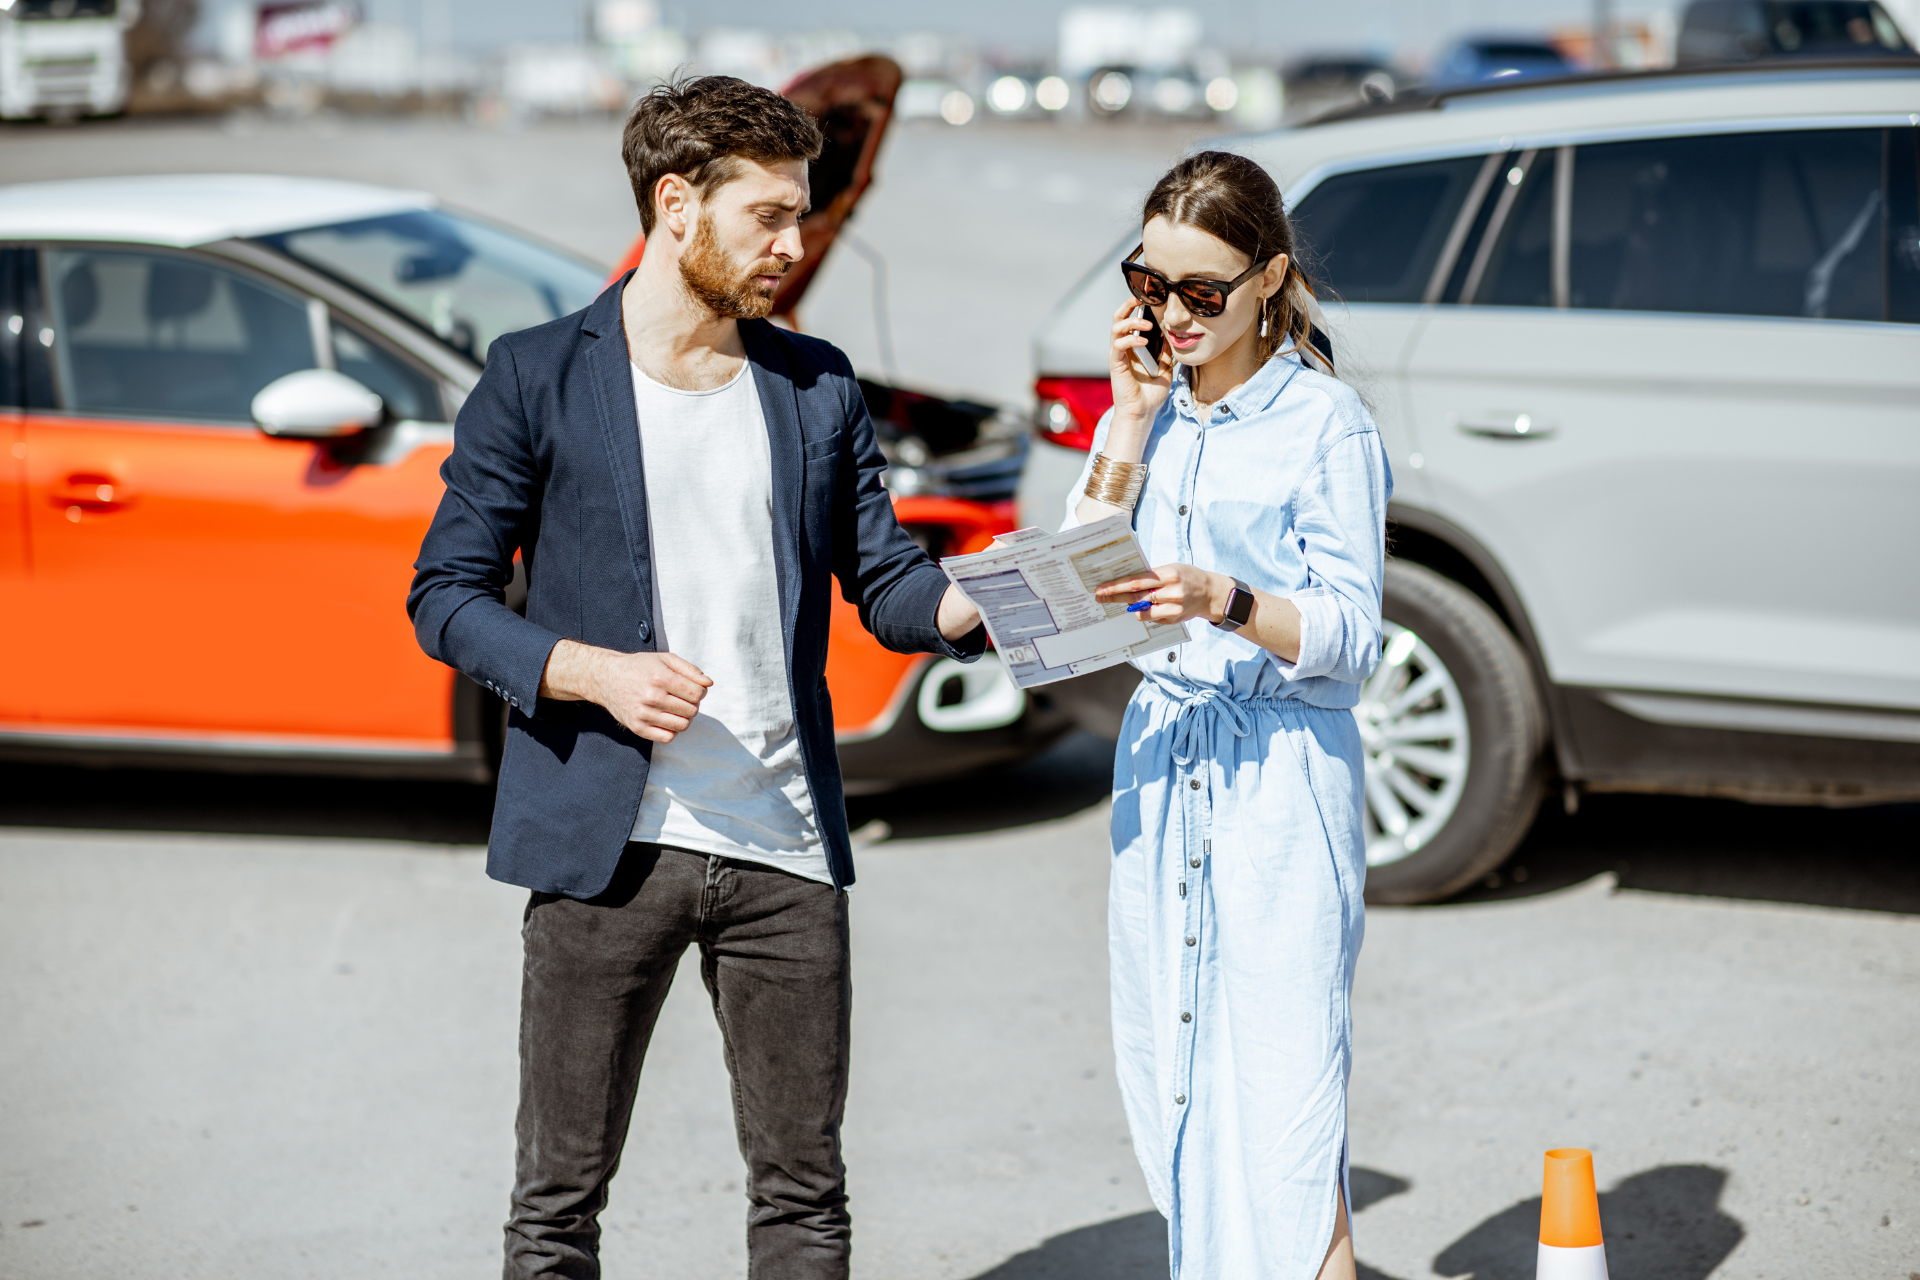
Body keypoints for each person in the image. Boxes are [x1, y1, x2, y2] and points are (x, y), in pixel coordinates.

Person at [407, 75, 985, 1280]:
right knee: (556, 1206)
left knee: (805, 1199)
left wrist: (973, 605)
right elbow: (445, 596)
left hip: (781, 849)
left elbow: (884, 584)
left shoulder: (815, 382)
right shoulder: (536, 375)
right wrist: (587, 672)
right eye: (769, 215)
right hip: (605, 847)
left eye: (803, 215)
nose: (796, 243)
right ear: (677, 205)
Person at [1068, 150, 1390, 1280]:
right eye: (1150, 284)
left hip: (1280, 773)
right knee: (1175, 1073)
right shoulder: (1151, 410)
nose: (1172, 313)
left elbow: (1355, 637)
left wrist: (1231, 600)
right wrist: (1126, 421)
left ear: (1271, 279)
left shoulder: (1325, 423)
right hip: (1161, 763)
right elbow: (1080, 574)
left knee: (1289, 1101)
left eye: (1203, 291)